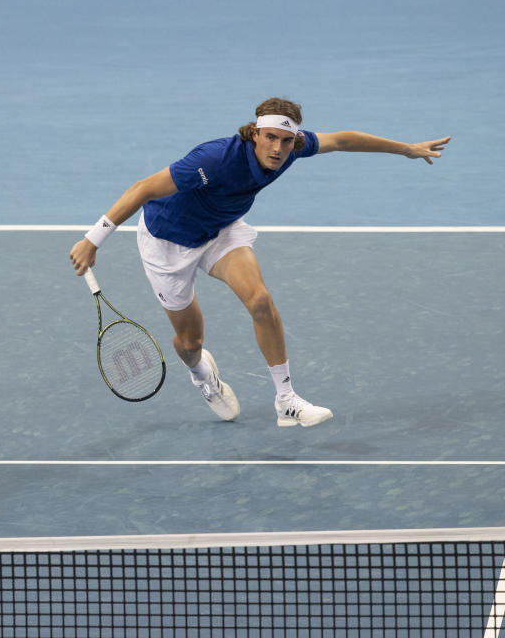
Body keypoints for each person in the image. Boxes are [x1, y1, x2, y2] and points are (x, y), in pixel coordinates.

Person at [69, 97, 450, 427]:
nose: (278, 148)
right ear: (255, 133)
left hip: (221, 230)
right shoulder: (214, 159)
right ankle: (202, 376)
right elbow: (143, 188)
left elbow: (343, 140)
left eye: (286, 141)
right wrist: (94, 238)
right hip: (169, 242)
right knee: (190, 341)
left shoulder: (295, 147)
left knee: (261, 301)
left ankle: (286, 402)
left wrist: (407, 149)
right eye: (271, 138)